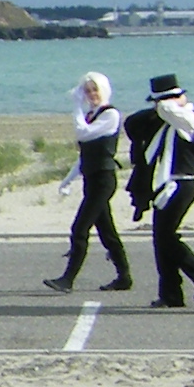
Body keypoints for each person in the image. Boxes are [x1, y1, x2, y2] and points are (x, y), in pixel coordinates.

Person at [125, 71, 194, 308]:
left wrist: (171, 100)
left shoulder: (187, 118)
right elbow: (133, 123)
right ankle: (171, 294)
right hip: (166, 186)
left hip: (182, 185)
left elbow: (167, 109)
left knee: (167, 237)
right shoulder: (166, 125)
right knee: (160, 240)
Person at [45, 71, 135, 292]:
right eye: (87, 91)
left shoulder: (110, 115)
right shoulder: (91, 115)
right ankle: (124, 277)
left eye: (95, 89)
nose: (91, 94)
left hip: (103, 180)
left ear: (104, 89)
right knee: (107, 231)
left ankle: (68, 279)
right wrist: (68, 179)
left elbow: (82, 134)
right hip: (91, 178)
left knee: (80, 228)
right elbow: (84, 154)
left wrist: (75, 106)